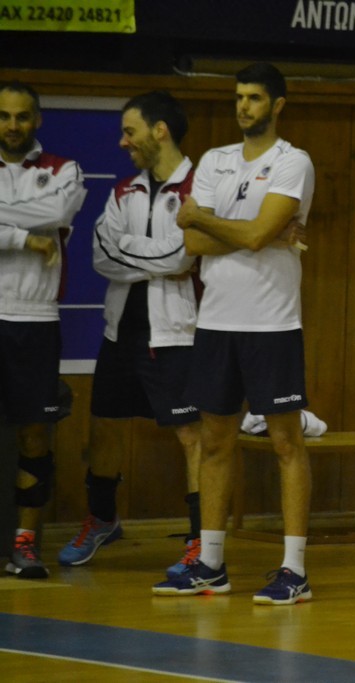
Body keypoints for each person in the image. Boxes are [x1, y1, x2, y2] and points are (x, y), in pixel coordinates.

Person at [152, 63, 315, 606]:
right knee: (216, 441)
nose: (244, 106)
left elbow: (252, 234)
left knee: (286, 443)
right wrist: (255, 234)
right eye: (239, 97)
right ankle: (211, 564)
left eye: (254, 98)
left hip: (272, 323)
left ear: (277, 105)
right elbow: (195, 244)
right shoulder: (214, 160)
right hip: (216, 322)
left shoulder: (292, 161)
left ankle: (295, 570)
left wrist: (213, 221)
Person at [57, 91, 203, 578]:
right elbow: (102, 256)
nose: (123, 142)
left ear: (160, 130)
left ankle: (201, 542)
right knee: (104, 426)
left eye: (130, 131)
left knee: (192, 435)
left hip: (179, 333)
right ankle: (102, 520)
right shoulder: (123, 190)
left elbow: (186, 254)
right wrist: (165, 258)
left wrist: (139, 251)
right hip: (121, 331)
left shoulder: (202, 186)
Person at [0, 81, 87, 579]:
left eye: (22, 116)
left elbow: (56, 212)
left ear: (37, 120)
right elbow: (41, 220)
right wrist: (21, 237)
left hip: (35, 319)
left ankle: (26, 543)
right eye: (4, 115)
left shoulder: (63, 169)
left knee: (35, 434)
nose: (12, 125)